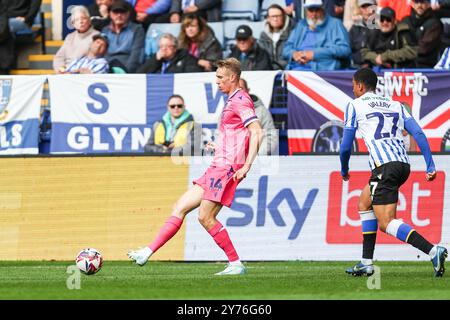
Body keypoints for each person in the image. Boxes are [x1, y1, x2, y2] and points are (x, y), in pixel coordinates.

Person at [128, 58, 263, 276]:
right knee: (180, 206)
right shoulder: (232, 100)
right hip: (218, 164)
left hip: (227, 168)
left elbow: (257, 131)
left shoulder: (240, 100)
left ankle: (235, 263)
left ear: (232, 78)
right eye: (216, 77)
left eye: (220, 77)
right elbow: (238, 135)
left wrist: (246, 165)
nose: (217, 81)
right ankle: (147, 251)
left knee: (205, 217)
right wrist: (219, 146)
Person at [340, 68, 447, 277]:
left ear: (360, 86)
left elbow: (345, 146)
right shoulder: (395, 105)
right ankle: (366, 262)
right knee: (364, 202)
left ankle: (433, 250)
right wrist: (430, 165)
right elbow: (417, 132)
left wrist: (344, 169)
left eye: (353, 85)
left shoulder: (354, 105)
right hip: (402, 165)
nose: (353, 90)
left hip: (385, 166)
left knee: (386, 222)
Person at [282, 0, 351, 71]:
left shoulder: (335, 24)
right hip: (298, 69)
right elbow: (286, 49)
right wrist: (294, 54)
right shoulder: (301, 25)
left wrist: (315, 54)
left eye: (317, 10)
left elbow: (345, 50)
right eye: (311, 10)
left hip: (324, 71)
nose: (314, 14)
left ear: (322, 9)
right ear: (306, 11)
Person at [102, 0, 145, 73]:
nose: (119, 15)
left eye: (122, 12)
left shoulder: (137, 29)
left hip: (127, 71)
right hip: (107, 70)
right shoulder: (105, 30)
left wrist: (126, 72)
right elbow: (103, 54)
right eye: (115, 12)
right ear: (110, 14)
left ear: (128, 14)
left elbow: (136, 56)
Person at [53, 6, 100, 73]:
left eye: (83, 18)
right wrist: (61, 69)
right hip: (66, 72)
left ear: (89, 21)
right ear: (73, 24)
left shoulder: (97, 36)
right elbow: (59, 57)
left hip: (82, 73)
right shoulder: (70, 37)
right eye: (77, 20)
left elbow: (95, 59)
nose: (81, 21)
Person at [239, 78, 278, 155]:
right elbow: (220, 138)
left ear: (247, 90)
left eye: (241, 88)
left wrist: (256, 156)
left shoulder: (261, 111)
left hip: (257, 161)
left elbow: (271, 137)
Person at [402, 0, 443, 68]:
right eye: (417, 2)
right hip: (403, 64)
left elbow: (424, 48)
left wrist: (405, 51)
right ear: (412, 4)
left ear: (428, 4)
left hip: (425, 66)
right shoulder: (405, 21)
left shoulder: (434, 24)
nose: (419, 6)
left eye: (422, 2)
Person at [137, 33, 203, 73]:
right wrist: (155, 60)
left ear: (175, 48)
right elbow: (139, 75)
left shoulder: (186, 58)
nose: (164, 49)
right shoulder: (156, 59)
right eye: (161, 46)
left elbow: (193, 75)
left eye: (168, 46)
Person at [258, 4, 296, 70]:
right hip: (267, 72)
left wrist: (275, 67)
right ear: (268, 18)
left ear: (283, 17)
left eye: (278, 16)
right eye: (272, 16)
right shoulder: (263, 36)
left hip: (288, 71)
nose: (275, 19)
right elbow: (261, 57)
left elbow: (292, 57)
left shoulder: (293, 33)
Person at [349, 0, 377, 68]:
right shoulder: (354, 28)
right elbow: (349, 48)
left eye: (369, 6)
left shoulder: (381, 26)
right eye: (363, 7)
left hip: (375, 67)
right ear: (360, 9)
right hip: (355, 67)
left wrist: (369, 63)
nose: (367, 10)